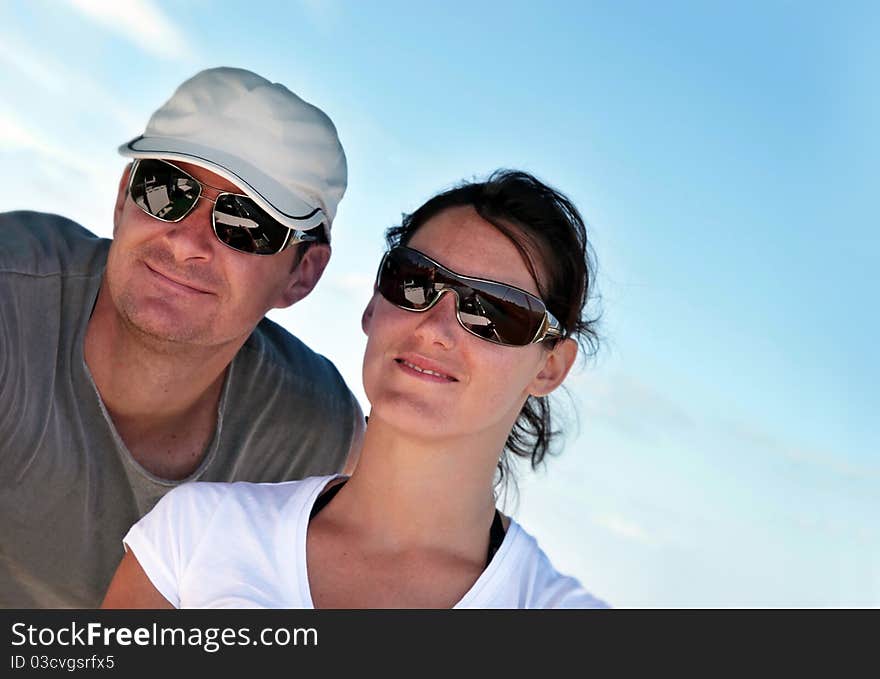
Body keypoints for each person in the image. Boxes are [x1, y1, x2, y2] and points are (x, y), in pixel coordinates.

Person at [102, 169, 607, 609]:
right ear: (373, 306)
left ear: (550, 368)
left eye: (494, 311)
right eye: (415, 281)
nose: (434, 325)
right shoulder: (195, 534)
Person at [0, 67, 365, 608]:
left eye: (246, 223)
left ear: (301, 274)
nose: (186, 242)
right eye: (166, 190)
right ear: (124, 197)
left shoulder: (317, 435)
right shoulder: (9, 298)